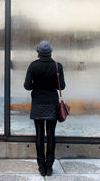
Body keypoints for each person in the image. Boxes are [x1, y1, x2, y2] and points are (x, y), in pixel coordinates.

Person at [24, 40, 65, 176]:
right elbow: (62, 86)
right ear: (50, 52)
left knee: (39, 134)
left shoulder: (33, 66)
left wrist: (37, 83)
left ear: (38, 53)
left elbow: (27, 86)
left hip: (38, 103)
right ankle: (49, 166)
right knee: (51, 134)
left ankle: (41, 166)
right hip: (52, 102)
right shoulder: (57, 66)